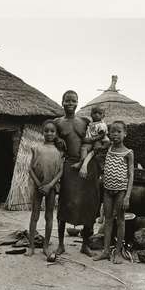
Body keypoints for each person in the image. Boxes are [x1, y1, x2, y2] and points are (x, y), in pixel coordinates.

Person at [54, 90, 101, 257]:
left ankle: (85, 244)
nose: (70, 103)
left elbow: (95, 142)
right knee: (65, 202)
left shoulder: (85, 121)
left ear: (77, 102)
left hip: (88, 166)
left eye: (73, 100)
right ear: (62, 102)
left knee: (89, 203)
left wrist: (86, 162)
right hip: (69, 164)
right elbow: (50, 136)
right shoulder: (57, 122)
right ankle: (60, 245)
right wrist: (57, 141)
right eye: (67, 100)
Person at [93, 121, 134, 263]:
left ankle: (117, 253)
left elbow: (131, 175)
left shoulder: (128, 153)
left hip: (121, 191)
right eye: (112, 131)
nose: (115, 134)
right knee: (108, 220)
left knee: (120, 221)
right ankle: (105, 251)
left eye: (118, 131)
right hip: (107, 190)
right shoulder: (109, 148)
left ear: (125, 134)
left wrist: (127, 196)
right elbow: (97, 143)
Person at [25, 120, 64, 258]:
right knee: (34, 215)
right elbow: (30, 168)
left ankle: (46, 246)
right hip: (38, 187)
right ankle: (31, 246)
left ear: (56, 133)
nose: (49, 133)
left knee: (49, 216)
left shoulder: (59, 152)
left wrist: (50, 185)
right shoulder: (36, 148)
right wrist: (39, 184)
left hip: (51, 188)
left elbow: (60, 171)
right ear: (43, 132)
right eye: (46, 130)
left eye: (52, 131)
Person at [72, 106, 110, 176]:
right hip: (90, 141)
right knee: (83, 149)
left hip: (98, 141)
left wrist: (92, 139)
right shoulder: (91, 123)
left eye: (99, 113)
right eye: (94, 113)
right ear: (91, 114)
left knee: (96, 153)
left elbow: (102, 135)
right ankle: (81, 162)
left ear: (103, 116)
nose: (97, 115)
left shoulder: (101, 124)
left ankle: (101, 168)